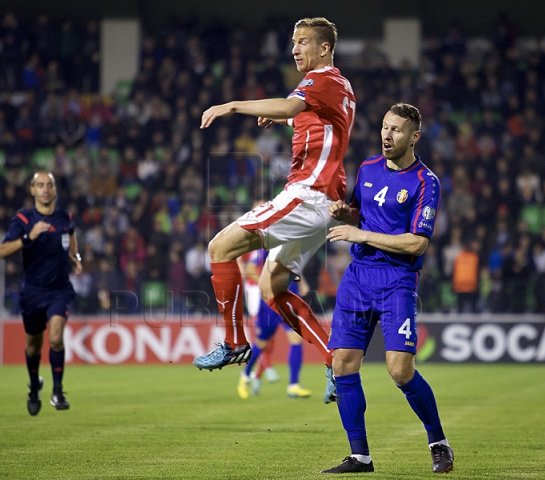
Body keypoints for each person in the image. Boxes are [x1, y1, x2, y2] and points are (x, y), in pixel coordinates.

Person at [193, 17, 356, 405]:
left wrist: (232, 105)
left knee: (219, 248)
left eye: (303, 42)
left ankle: (234, 342)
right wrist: (288, 117)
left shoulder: (322, 79)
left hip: (308, 195)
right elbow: (315, 120)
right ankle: (333, 361)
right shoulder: (341, 87)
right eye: (294, 43)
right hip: (325, 203)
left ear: (324, 49)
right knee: (271, 287)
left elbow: (292, 103)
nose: (296, 49)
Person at [322, 104, 454, 474]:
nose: (387, 135)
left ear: (414, 137)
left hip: (396, 280)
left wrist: (359, 232)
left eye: (396, 130)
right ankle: (360, 456)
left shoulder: (426, 182)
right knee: (342, 364)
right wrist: (342, 212)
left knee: (399, 370)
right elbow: (360, 214)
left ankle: (438, 442)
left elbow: (417, 244)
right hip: (359, 276)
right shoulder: (367, 168)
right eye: (384, 127)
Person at [0, 171, 82, 416]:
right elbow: (3, 251)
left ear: (55, 190)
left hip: (59, 290)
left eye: (50, 185)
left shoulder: (64, 217)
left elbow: (71, 236)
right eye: (40, 185)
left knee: (56, 337)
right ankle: (34, 386)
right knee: (33, 347)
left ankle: (58, 391)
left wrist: (75, 259)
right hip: (33, 292)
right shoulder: (23, 219)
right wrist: (29, 237)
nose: (45, 189)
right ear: (32, 190)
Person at [237, 248, 311, 399]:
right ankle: (245, 375)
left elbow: (293, 265)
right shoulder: (265, 247)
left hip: (289, 298)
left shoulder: (291, 243)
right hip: (269, 303)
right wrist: (268, 287)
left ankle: (293, 385)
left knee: (296, 339)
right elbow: (250, 269)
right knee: (262, 343)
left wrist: (302, 282)